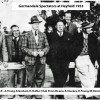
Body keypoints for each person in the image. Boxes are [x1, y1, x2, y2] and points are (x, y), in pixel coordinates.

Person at [22, 16, 49, 99]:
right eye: (35, 24)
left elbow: (47, 46)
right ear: (31, 25)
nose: (37, 25)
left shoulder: (43, 34)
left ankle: (38, 93)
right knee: (30, 78)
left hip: (41, 60)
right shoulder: (26, 35)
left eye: (38, 24)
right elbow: (23, 48)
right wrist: (31, 52)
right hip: (30, 60)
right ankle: (30, 93)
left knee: (40, 77)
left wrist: (43, 52)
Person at [70, 22, 99, 99]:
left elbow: (96, 49)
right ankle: (89, 95)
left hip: (90, 57)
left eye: (90, 27)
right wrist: (73, 59)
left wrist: (96, 60)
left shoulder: (93, 36)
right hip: (79, 57)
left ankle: (88, 93)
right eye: (88, 28)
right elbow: (71, 49)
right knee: (85, 75)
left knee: (92, 75)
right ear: (84, 29)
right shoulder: (77, 36)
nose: (90, 29)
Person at [47, 20, 72, 99]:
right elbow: (48, 48)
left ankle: (56, 90)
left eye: (61, 25)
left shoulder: (68, 35)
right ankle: (60, 95)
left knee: (64, 76)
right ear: (56, 27)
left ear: (64, 26)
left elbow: (71, 48)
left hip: (65, 60)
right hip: (54, 61)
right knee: (57, 76)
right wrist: (49, 61)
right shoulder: (51, 35)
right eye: (58, 25)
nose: (60, 27)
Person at [6, 25, 26, 99]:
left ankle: (20, 93)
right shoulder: (7, 39)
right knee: (11, 78)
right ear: (11, 32)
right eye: (14, 31)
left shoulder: (23, 38)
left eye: (17, 30)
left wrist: (24, 60)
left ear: (19, 31)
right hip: (11, 62)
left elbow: (25, 50)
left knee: (21, 78)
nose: (16, 32)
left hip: (21, 61)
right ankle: (11, 94)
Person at [64, 12, 78, 87]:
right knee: (65, 64)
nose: (68, 19)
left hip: (72, 48)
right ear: (64, 17)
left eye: (69, 17)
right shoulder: (61, 25)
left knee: (72, 64)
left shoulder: (74, 26)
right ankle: (63, 80)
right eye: (67, 17)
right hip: (64, 48)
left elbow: (76, 37)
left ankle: (72, 81)